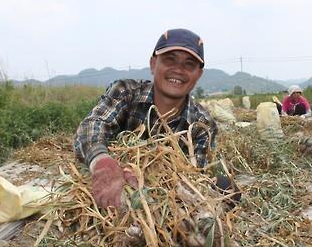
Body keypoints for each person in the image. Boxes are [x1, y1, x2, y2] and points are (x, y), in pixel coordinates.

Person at [74, 28, 219, 209]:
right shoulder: (126, 92)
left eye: (189, 64)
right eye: (169, 60)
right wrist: (102, 161)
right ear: (153, 64)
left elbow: (195, 178)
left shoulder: (202, 126)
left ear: (198, 74)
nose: (178, 70)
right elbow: (93, 125)